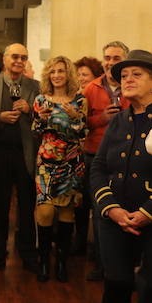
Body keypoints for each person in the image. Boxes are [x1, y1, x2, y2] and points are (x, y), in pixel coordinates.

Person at [81, 49, 152, 303]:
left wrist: (147, 212)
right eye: (124, 76)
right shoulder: (120, 120)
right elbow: (97, 167)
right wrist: (110, 208)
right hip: (114, 220)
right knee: (116, 287)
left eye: (136, 74)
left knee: (150, 288)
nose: (127, 80)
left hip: (150, 221)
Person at [0, 43, 40, 272]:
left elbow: (45, 119)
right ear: (5, 59)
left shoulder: (35, 87)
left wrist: (31, 110)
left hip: (25, 153)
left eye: (23, 57)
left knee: (27, 205)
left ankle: (27, 254)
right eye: (15, 56)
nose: (19, 61)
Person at [31, 56, 88, 282]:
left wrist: (76, 118)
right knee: (45, 210)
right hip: (46, 162)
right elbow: (36, 131)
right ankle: (43, 260)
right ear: (48, 75)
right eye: (53, 71)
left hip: (71, 162)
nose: (56, 75)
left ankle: (62, 262)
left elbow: (82, 133)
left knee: (66, 212)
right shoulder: (40, 99)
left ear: (68, 74)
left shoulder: (79, 100)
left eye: (61, 71)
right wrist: (42, 120)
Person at [82, 41, 131, 280]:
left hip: (126, 159)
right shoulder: (90, 88)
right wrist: (100, 118)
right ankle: (101, 264)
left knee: (125, 210)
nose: (111, 62)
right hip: (96, 156)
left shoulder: (132, 87)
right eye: (108, 58)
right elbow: (80, 125)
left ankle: (125, 265)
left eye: (116, 58)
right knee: (101, 210)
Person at [73, 55, 106, 256]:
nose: (81, 78)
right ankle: (79, 241)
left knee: (96, 202)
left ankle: (96, 248)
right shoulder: (76, 95)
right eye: (78, 74)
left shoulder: (94, 93)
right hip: (79, 153)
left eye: (85, 74)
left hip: (94, 151)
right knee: (80, 201)